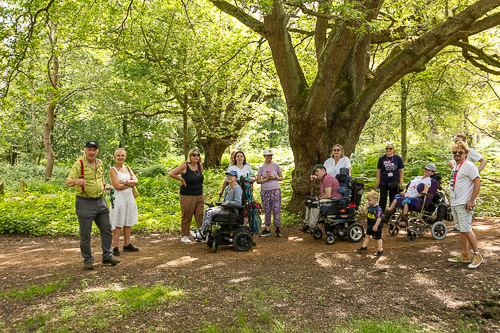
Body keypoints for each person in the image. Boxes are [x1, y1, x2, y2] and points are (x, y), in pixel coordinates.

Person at [66, 141, 120, 270]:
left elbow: (100, 180)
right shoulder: (79, 164)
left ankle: (107, 256)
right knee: (86, 234)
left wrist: (106, 186)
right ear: (85, 151)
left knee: (107, 229)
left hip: (100, 202)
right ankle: (88, 260)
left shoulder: (100, 163)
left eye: (94, 150)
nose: (92, 152)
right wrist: (76, 181)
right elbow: (68, 182)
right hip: (85, 202)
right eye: (89, 150)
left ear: (97, 152)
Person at [447, 141, 483, 269]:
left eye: (460, 152)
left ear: (466, 154)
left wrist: (472, 200)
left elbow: (477, 183)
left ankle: (477, 255)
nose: (457, 154)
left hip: (464, 202)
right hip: (456, 203)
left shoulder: (469, 165)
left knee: (466, 229)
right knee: (461, 229)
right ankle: (465, 254)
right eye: (455, 152)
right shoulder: (456, 167)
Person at [449, 134, 487, 232]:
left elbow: (483, 161)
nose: (456, 142)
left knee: (466, 228)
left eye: (458, 140)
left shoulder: (470, 152)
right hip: (458, 185)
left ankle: (466, 228)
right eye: (455, 141)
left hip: (468, 184)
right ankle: (460, 227)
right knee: (462, 229)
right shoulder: (456, 153)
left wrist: (476, 173)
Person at [191, 170, 242, 242]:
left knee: (210, 213)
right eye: (228, 176)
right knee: (207, 210)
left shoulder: (237, 188)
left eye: (231, 176)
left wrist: (228, 203)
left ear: (236, 178)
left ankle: (202, 233)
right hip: (225, 208)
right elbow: (225, 201)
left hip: (231, 211)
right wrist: (223, 204)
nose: (229, 177)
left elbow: (238, 203)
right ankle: (202, 231)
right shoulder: (228, 188)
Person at [168, 148, 204, 243]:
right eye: (194, 155)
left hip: (199, 194)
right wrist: (181, 179)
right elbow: (171, 173)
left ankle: (200, 235)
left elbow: (199, 177)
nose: (196, 156)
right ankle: (184, 235)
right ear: (190, 156)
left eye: (198, 155)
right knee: (187, 215)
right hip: (187, 195)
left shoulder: (200, 165)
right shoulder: (185, 165)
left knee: (200, 215)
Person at [109, 148, 139, 256]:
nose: (120, 157)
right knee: (118, 222)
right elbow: (116, 186)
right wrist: (129, 184)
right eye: (118, 155)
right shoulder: (113, 170)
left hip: (129, 198)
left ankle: (127, 245)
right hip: (119, 199)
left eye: (122, 155)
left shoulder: (128, 168)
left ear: (125, 157)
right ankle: (115, 247)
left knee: (128, 221)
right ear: (115, 157)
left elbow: (136, 181)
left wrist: (126, 182)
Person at [300, 164, 342, 232]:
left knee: (315, 204)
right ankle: (307, 224)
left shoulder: (327, 179)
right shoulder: (322, 180)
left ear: (323, 170)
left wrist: (319, 198)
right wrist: (318, 197)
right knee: (308, 203)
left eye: (317, 171)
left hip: (334, 200)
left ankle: (312, 226)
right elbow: (324, 194)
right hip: (329, 200)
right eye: (315, 172)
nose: (316, 173)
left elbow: (328, 195)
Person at [256, 149, 284, 237]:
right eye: (267, 155)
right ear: (264, 156)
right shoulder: (261, 166)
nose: (269, 157)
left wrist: (274, 177)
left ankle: (277, 228)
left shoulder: (276, 165)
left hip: (275, 189)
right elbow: (258, 181)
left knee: (276, 209)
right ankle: (267, 228)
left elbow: (281, 177)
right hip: (265, 191)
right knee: (267, 209)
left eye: (270, 155)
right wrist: (267, 179)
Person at [375, 143, 405, 212]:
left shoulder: (397, 158)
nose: (388, 150)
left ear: (393, 150)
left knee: (393, 198)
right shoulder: (382, 158)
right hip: (384, 181)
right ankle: (381, 214)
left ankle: (391, 214)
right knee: (383, 198)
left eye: (390, 149)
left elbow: (401, 170)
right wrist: (378, 182)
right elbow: (378, 170)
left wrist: (400, 182)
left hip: (394, 181)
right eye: (387, 148)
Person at [356, 191, 383, 256]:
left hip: (376, 225)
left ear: (375, 200)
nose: (368, 202)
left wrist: (376, 225)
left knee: (377, 238)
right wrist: (366, 208)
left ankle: (380, 249)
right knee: (367, 235)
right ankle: (364, 247)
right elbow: (365, 214)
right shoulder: (370, 207)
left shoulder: (378, 208)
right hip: (370, 224)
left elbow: (379, 218)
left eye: (370, 200)